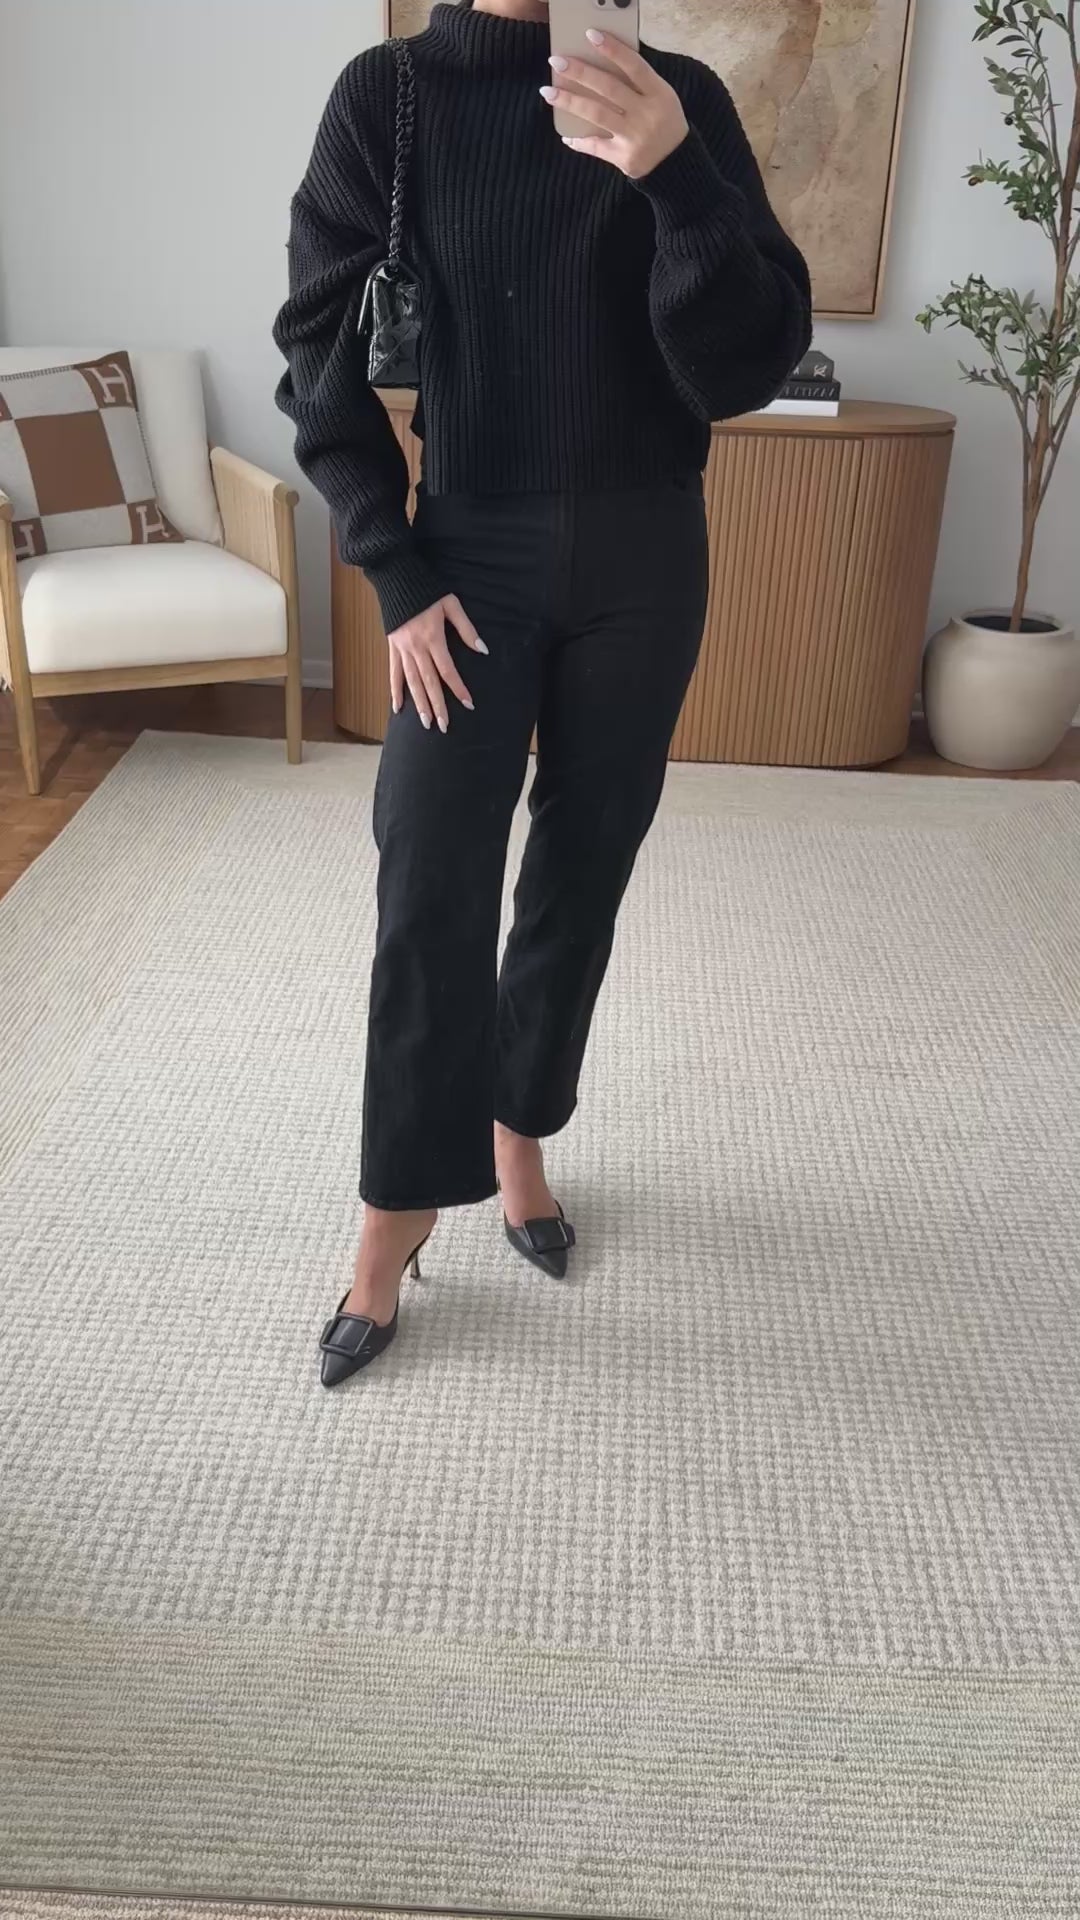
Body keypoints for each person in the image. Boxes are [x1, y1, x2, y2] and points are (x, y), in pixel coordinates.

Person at [273, 0, 812, 1389]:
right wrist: (393, 567)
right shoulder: (387, 95)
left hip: (649, 548)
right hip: (468, 556)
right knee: (428, 872)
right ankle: (394, 1214)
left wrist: (672, 173)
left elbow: (743, 367)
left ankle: (521, 1132)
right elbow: (318, 354)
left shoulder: (678, 96)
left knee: (582, 869)